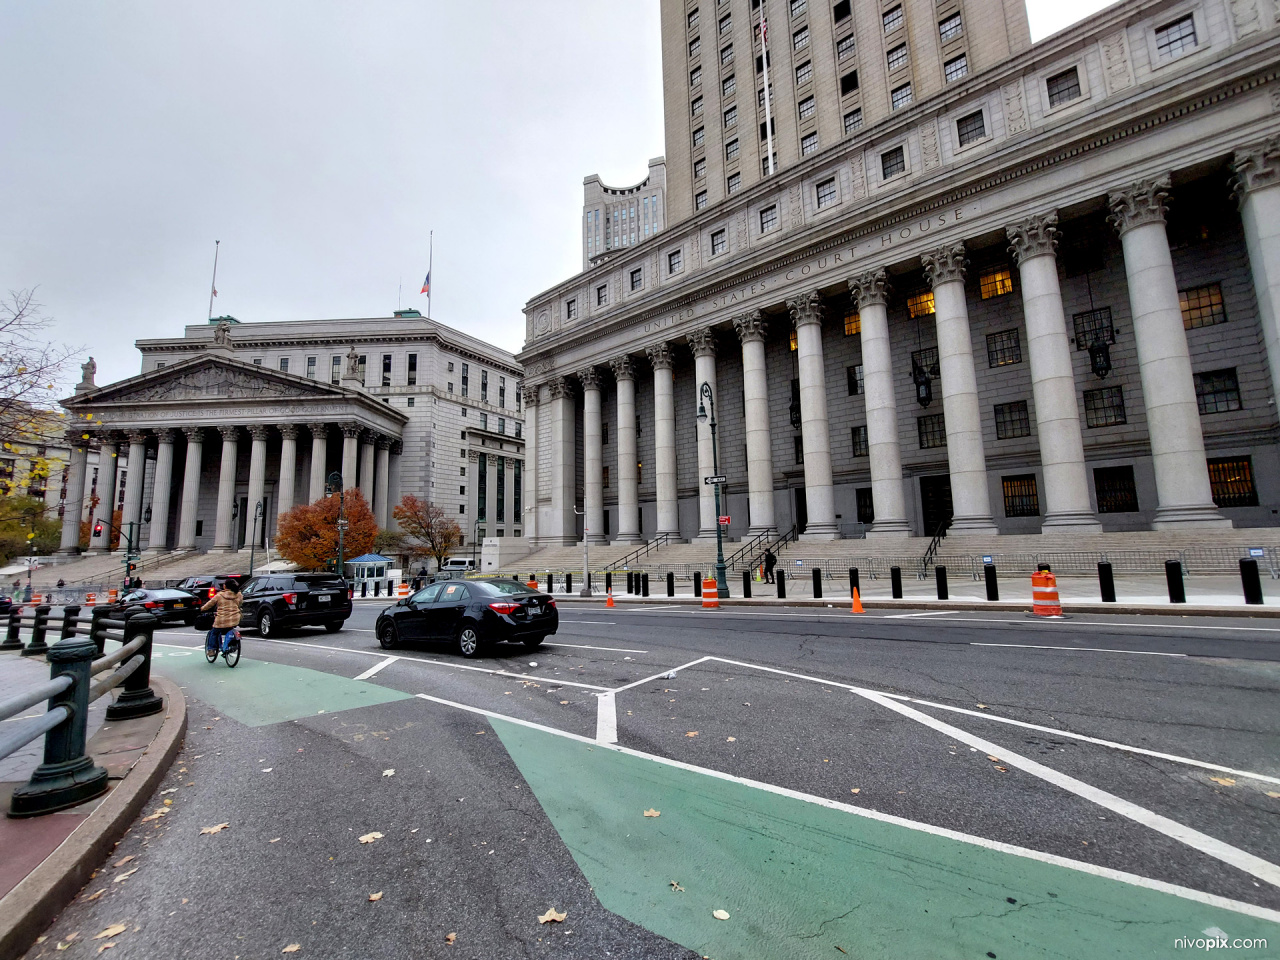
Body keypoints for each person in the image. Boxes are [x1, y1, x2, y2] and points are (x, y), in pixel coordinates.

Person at [201, 578, 243, 655]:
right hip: (235, 618)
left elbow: (210, 604)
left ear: (225, 586)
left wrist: (202, 609)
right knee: (229, 628)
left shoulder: (220, 595)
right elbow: (240, 604)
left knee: (214, 632)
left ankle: (211, 649)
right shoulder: (239, 595)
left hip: (222, 619)